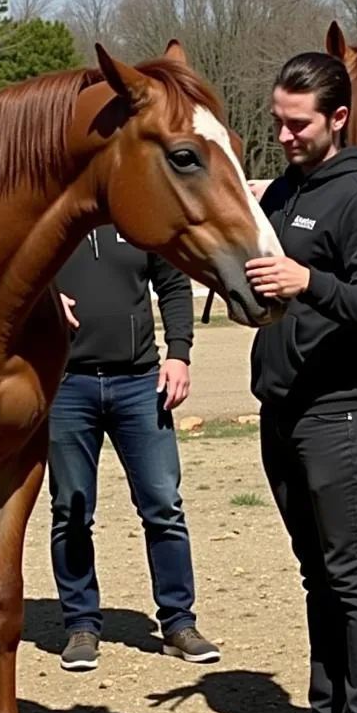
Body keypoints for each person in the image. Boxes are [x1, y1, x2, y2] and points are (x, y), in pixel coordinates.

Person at [245, 51, 357, 713]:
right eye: (277, 119)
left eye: (296, 122)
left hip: (341, 412)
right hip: (284, 409)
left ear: (338, 118)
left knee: (356, 576)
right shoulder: (284, 191)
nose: (282, 134)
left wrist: (309, 281)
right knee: (318, 575)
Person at [47, 223, 220, 672]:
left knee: (163, 504)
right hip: (67, 386)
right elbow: (5, 275)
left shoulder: (138, 220)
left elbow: (174, 286)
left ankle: (179, 622)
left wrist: (179, 353)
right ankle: (81, 625)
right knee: (71, 510)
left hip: (140, 383)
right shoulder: (52, 221)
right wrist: (42, 296)